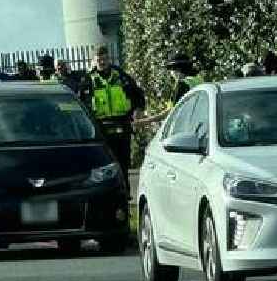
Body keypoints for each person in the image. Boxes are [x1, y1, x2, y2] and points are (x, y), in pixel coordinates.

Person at [79, 46, 145, 192]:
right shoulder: (88, 80)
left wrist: (138, 111)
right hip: (101, 127)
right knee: (105, 162)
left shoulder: (120, 76)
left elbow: (138, 94)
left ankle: (125, 190)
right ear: (93, 61)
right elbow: (82, 105)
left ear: (109, 59)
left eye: (104, 58)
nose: (102, 62)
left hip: (122, 123)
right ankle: (108, 190)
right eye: (98, 59)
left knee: (123, 161)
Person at [135, 53, 203, 127]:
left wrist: (147, 120)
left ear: (177, 69)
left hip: (186, 126)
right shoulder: (198, 80)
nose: (171, 73)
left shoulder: (182, 84)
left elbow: (172, 111)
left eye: (171, 69)